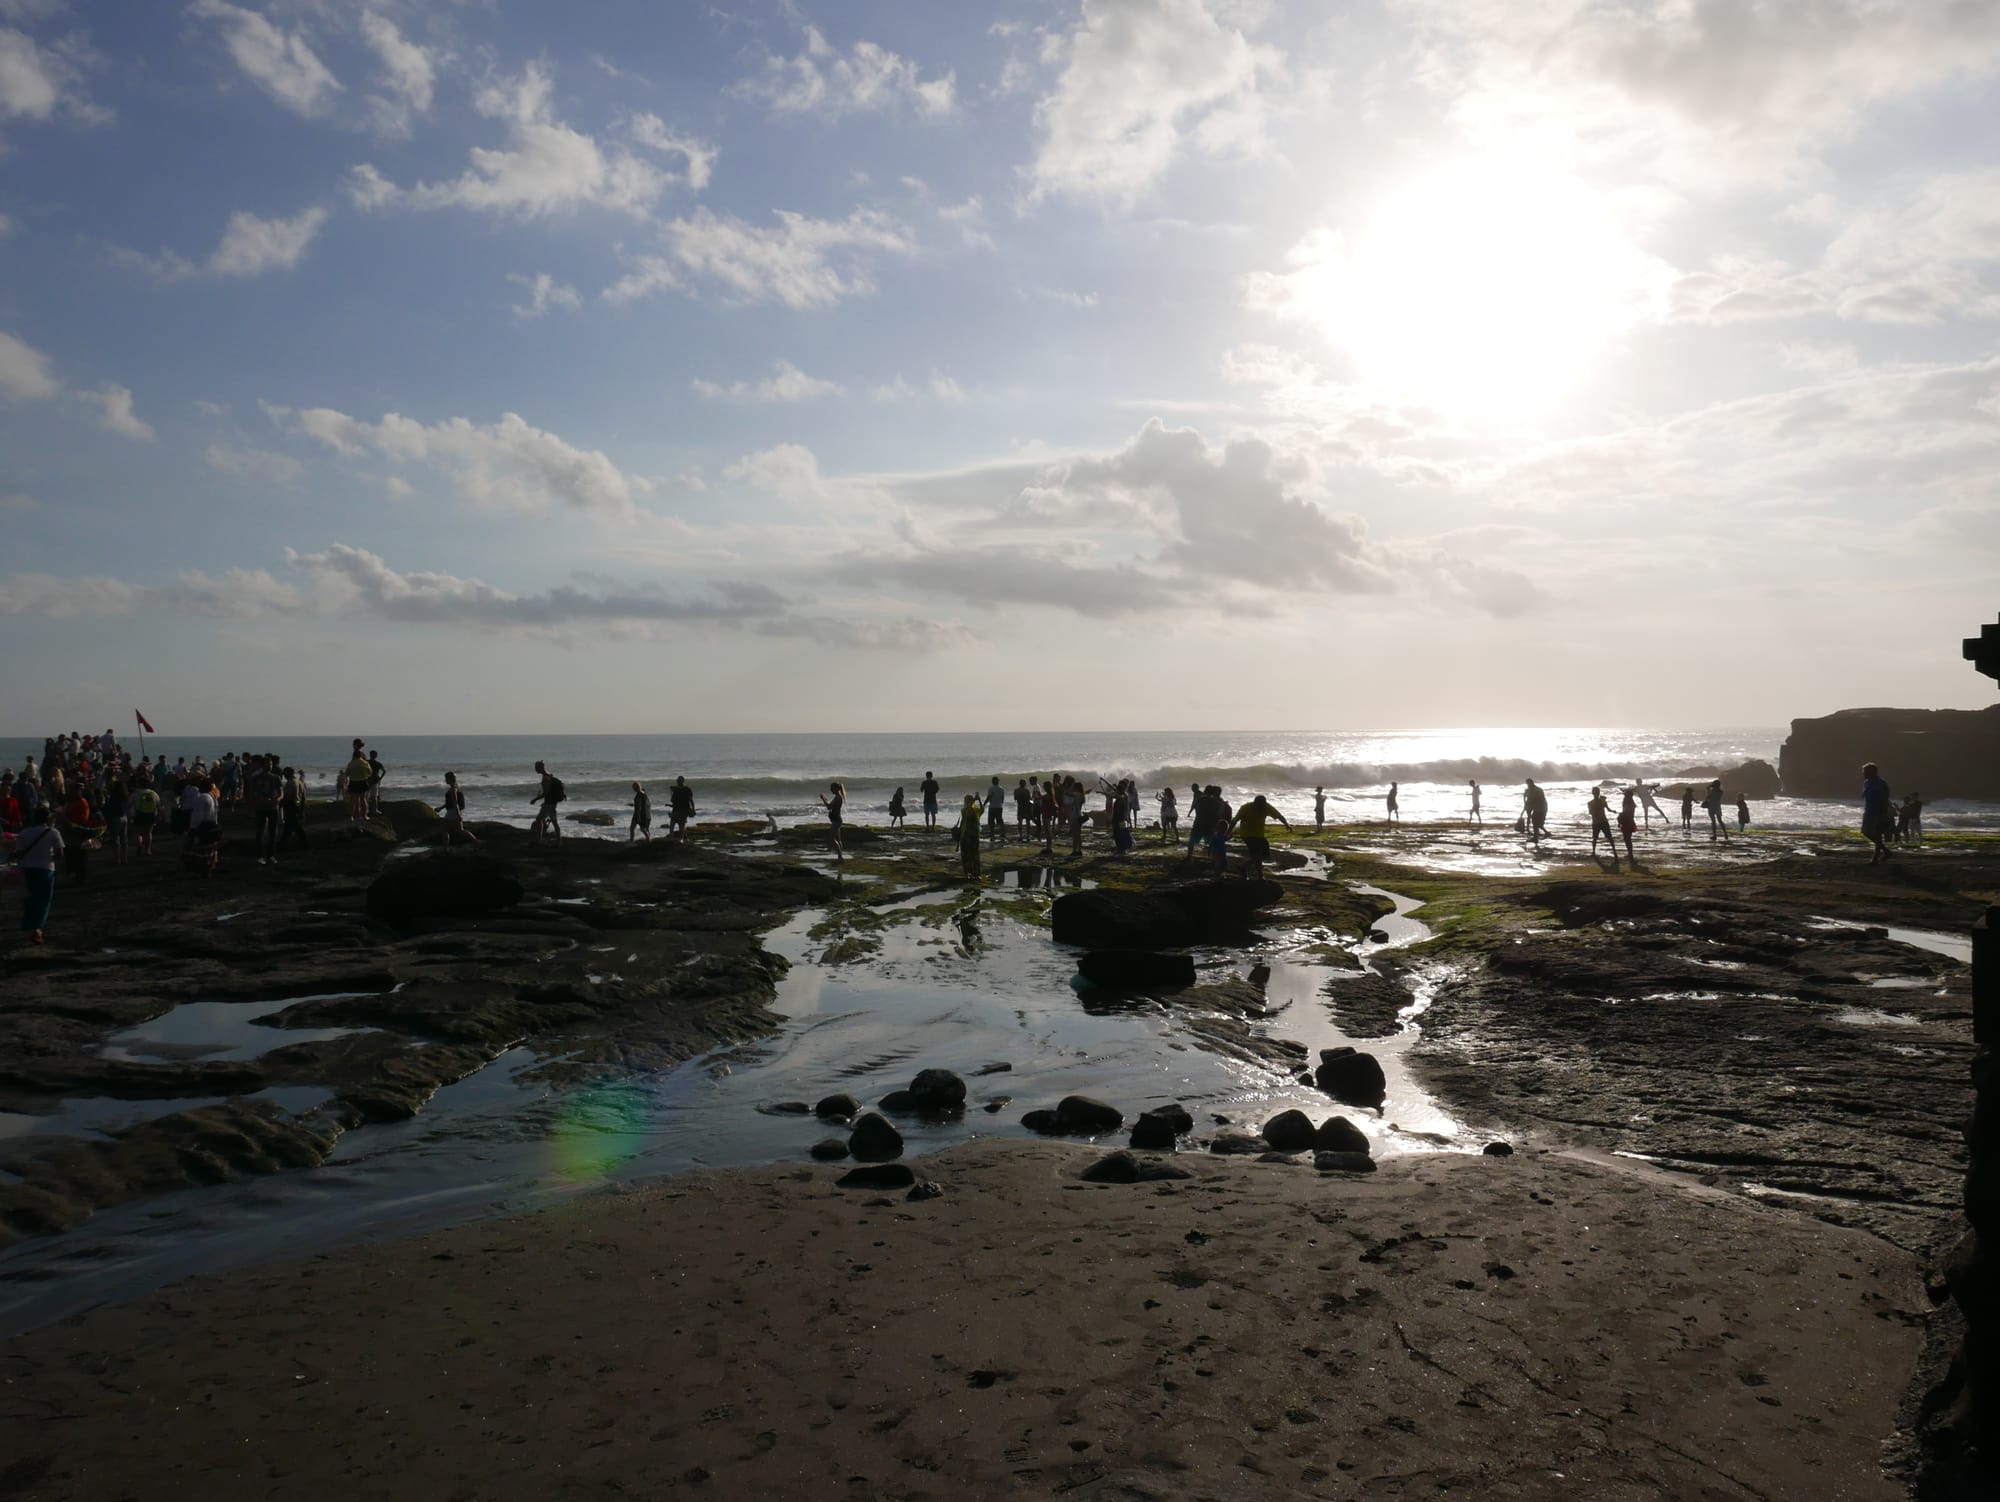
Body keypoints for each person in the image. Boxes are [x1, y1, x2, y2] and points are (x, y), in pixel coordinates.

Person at [11, 806, 62, 945]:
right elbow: (59, 854)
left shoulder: (24, 832)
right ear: (48, 818)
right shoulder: (53, 832)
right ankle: (38, 930)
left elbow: (19, 853)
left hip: (26, 869)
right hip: (46, 869)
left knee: (29, 899)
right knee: (43, 900)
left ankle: (29, 925)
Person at [1229, 793, 1291, 880]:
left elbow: (1279, 816)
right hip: (1247, 834)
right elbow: (1234, 820)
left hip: (1259, 834)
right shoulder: (1246, 807)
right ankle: (1260, 875)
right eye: (1258, 805)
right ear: (1254, 803)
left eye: (1261, 806)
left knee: (1264, 856)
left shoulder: (1266, 807)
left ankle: (1242, 866)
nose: (1259, 808)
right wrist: (1228, 832)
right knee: (1257, 855)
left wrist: (1286, 825)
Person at [247, 754, 282, 864]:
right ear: (262, 766)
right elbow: (253, 793)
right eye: (268, 764)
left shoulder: (276, 778)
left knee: (273, 832)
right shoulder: (256, 778)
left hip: (273, 807)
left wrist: (278, 799)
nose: (270, 766)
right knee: (260, 832)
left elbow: (281, 792)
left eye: (271, 764)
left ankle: (271, 855)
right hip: (261, 807)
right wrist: (264, 800)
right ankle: (260, 856)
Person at [1861, 762, 1893, 864]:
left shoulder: (1881, 784)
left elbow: (1885, 799)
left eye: (1865, 771)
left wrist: (1883, 814)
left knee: (1877, 834)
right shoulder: (1867, 782)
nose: (1863, 773)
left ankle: (1875, 858)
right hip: (1868, 811)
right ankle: (1886, 851)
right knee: (1865, 831)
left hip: (1878, 812)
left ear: (1872, 772)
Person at [277, 767, 309, 854]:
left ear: (288, 773)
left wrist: (280, 804)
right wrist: (301, 809)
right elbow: (302, 798)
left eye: (284, 774)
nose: (283, 776)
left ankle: (281, 847)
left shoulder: (291, 783)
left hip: (291, 807)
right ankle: (282, 846)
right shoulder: (299, 782)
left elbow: (288, 797)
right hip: (296, 807)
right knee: (293, 828)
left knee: (294, 828)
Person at [529, 761, 564, 841]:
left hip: (549, 804)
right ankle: (557, 842)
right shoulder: (549, 775)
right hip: (551, 803)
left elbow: (546, 793)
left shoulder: (545, 777)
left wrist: (535, 799)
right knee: (551, 821)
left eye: (536, 767)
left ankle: (540, 840)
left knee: (540, 820)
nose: (535, 769)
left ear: (540, 767)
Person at [953, 791, 983, 880]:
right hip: (967, 835)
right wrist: (975, 799)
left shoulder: (974, 810)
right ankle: (970, 874)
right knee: (968, 856)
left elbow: (982, 809)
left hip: (970, 836)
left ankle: (975, 874)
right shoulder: (964, 810)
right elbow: (968, 809)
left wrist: (979, 800)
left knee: (973, 856)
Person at [343, 740, 373, 823]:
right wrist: (365, 776)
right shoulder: (363, 760)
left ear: (356, 745)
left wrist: (346, 781)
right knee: (362, 799)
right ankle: (363, 815)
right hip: (362, 781)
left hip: (354, 781)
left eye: (353, 744)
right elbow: (369, 771)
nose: (352, 745)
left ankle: (354, 816)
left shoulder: (353, 760)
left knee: (354, 800)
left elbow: (347, 773)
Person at [819, 781, 845, 862]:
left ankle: (840, 857)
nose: (831, 790)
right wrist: (826, 800)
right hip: (837, 819)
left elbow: (829, 807)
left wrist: (823, 799)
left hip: (836, 820)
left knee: (831, 839)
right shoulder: (838, 796)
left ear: (836, 789)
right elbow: (831, 805)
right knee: (838, 839)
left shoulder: (837, 797)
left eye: (831, 789)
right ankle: (840, 857)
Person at [131, 781, 159, 856]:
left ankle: (139, 846)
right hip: (151, 814)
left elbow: (130, 803)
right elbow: (158, 804)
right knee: (148, 833)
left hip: (139, 814)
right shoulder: (154, 793)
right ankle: (147, 850)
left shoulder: (136, 793)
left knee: (137, 832)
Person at [1588, 787, 1615, 855]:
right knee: (1609, 837)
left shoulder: (1590, 803)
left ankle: (1593, 851)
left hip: (1596, 822)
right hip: (1604, 821)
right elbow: (1609, 810)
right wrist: (1614, 811)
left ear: (1592, 793)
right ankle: (1614, 850)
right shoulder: (1603, 801)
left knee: (1595, 838)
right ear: (1599, 793)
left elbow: (1590, 813)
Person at [1617, 789, 1637, 866]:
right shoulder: (1631, 803)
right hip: (1630, 821)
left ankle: (1630, 854)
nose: (1624, 796)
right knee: (1628, 839)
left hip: (1627, 822)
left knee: (1627, 839)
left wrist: (1620, 819)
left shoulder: (1627, 803)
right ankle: (1630, 854)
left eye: (1625, 795)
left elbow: (1626, 813)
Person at [986, 776, 1006, 845]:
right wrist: (1000, 803)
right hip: (999, 807)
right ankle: (1003, 833)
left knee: (991, 822)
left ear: (992, 781)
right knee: (1000, 820)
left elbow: (989, 797)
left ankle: (992, 835)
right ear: (998, 781)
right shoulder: (1001, 789)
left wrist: (984, 803)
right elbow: (1003, 798)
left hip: (992, 807)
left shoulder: (991, 788)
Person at [366, 749, 387, 816]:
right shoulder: (378, 763)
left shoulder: (366, 762)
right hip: (375, 780)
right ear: (376, 756)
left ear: (370, 755)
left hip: (367, 780)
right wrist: (380, 778)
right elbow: (384, 771)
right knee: (374, 796)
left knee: (366, 796)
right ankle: (375, 810)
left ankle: (367, 810)